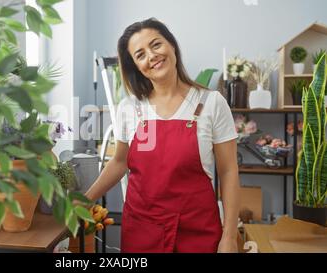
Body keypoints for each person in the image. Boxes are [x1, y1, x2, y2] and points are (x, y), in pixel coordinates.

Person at [85, 18, 240, 253]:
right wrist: (84, 201)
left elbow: (228, 171)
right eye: (140, 54)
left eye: (156, 45)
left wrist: (229, 237)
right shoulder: (130, 108)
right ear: (136, 66)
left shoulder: (211, 103)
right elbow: (119, 162)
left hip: (198, 230)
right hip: (142, 232)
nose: (151, 56)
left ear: (172, 46)